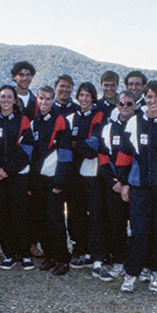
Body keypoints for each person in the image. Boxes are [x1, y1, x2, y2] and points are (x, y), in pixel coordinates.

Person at [116, 81, 157, 293]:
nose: (153, 101)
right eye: (149, 97)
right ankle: (131, 274)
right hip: (139, 187)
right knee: (139, 232)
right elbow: (125, 155)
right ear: (144, 98)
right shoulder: (134, 123)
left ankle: (156, 272)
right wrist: (125, 183)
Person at [0, 85, 36, 270]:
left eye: (9, 97)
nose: (6, 100)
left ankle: (24, 254)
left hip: (17, 176)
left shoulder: (23, 120)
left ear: (15, 100)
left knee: (20, 214)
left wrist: (8, 168)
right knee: (1, 215)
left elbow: (27, 149)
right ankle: (8, 254)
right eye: (2, 96)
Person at [65, 82, 110, 278]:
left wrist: (77, 145)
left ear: (93, 98)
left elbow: (93, 149)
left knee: (97, 215)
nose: (84, 98)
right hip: (74, 175)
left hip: (94, 175)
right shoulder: (71, 118)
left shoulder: (99, 116)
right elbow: (66, 145)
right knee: (76, 214)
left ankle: (98, 255)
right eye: (81, 95)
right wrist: (79, 144)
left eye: (87, 95)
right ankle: (81, 250)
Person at [29, 85, 73, 276]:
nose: (44, 102)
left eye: (48, 98)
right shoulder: (34, 122)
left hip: (54, 180)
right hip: (38, 180)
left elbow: (65, 155)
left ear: (54, 100)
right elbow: (32, 156)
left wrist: (60, 182)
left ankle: (63, 259)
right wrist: (30, 183)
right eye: (41, 98)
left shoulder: (61, 121)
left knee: (55, 220)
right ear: (37, 99)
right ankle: (50, 256)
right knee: (40, 220)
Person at [98, 90, 137, 278]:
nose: (125, 107)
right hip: (113, 185)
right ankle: (120, 260)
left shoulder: (141, 126)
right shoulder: (108, 128)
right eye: (122, 103)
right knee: (116, 225)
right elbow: (102, 156)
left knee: (137, 225)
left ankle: (139, 261)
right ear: (117, 106)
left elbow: (140, 159)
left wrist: (127, 183)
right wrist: (113, 182)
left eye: (129, 103)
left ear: (135, 106)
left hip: (134, 186)